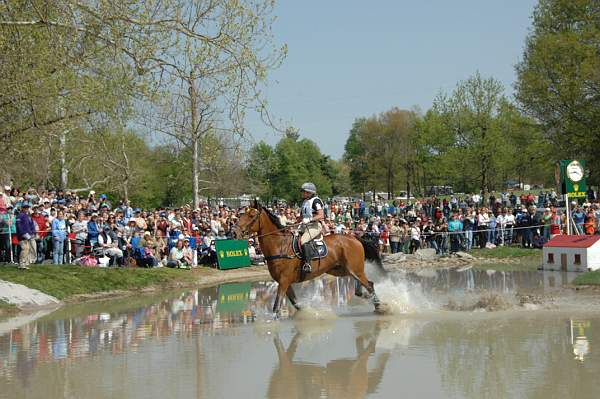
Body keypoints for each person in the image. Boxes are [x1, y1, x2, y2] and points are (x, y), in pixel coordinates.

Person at [297, 182, 324, 273]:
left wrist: (309, 219)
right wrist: (290, 224)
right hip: (305, 225)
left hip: (315, 225)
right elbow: (301, 217)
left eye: (304, 191)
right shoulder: (304, 202)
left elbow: (321, 215)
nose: (302, 193)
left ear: (309, 192)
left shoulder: (316, 201)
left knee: (303, 240)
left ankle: (307, 264)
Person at [16, 203, 36, 269]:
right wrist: (23, 233)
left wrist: (32, 232)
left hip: (28, 235)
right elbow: (19, 226)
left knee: (27, 249)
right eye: (25, 208)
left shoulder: (28, 216)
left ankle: (24, 263)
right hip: (22, 235)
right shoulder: (20, 215)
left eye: (27, 208)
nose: (26, 209)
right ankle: (21, 264)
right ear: (22, 208)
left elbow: (31, 225)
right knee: (25, 249)